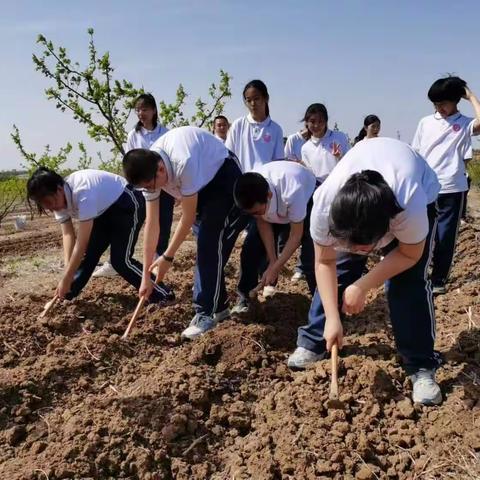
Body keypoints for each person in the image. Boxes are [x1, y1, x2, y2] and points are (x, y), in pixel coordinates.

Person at [287, 138, 444, 406]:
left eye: (363, 247)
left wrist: (363, 285)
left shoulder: (409, 204)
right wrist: (332, 318)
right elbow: (324, 262)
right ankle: (315, 340)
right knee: (343, 266)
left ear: (384, 232)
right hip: (359, 207)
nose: (355, 249)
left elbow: (409, 254)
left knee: (407, 283)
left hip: (413, 187)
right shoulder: (325, 205)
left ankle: (421, 366)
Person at [122, 126, 249, 340]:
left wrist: (167, 257)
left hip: (222, 176)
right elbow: (152, 225)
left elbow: (187, 217)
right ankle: (218, 308)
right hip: (201, 181)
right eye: (146, 188)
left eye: (151, 185)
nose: (152, 190)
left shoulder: (184, 161)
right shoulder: (149, 176)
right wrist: (145, 276)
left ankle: (205, 312)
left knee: (208, 243)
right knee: (207, 246)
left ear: (161, 169)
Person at [26, 167, 173, 303]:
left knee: (120, 260)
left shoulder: (83, 192)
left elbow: (81, 243)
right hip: (102, 211)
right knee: (87, 257)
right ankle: (66, 295)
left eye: (50, 202)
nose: (52, 208)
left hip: (125, 202)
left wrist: (67, 277)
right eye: (46, 205)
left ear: (58, 189)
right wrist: (67, 271)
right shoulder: (57, 200)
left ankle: (162, 294)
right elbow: (68, 235)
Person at [93, 93, 174, 278]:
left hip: (164, 185)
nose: (141, 113)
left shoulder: (165, 132)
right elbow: (130, 162)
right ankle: (116, 261)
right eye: (137, 110)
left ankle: (157, 259)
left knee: (163, 223)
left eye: (144, 109)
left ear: (154, 110)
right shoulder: (134, 134)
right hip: (142, 186)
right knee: (132, 222)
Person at [412, 76, 480, 294]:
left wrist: (470, 96)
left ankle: (439, 279)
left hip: (453, 188)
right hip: (426, 187)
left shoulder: (464, 123)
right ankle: (418, 274)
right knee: (422, 233)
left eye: (443, 103)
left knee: (446, 236)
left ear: (455, 101)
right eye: (435, 104)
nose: (439, 108)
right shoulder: (425, 123)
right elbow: (416, 153)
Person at [231, 161, 317, 313]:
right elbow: (262, 222)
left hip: (308, 198)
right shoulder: (252, 189)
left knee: (312, 258)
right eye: (251, 213)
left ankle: (321, 306)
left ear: (269, 196)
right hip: (275, 204)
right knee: (250, 248)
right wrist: (272, 260)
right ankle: (245, 298)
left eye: (257, 211)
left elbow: (295, 235)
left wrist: (276, 268)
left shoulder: (292, 191)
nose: (255, 215)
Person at [289, 104, 350, 284]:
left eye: (320, 121)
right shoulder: (306, 147)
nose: (316, 125)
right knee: (319, 229)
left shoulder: (339, 138)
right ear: (306, 123)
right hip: (318, 192)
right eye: (312, 121)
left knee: (341, 228)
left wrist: (339, 156)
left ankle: (343, 265)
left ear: (326, 121)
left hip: (339, 188)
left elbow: (348, 162)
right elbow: (310, 172)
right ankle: (315, 265)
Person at [225, 79, 284, 173]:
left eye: (256, 99)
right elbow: (228, 156)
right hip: (241, 182)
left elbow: (278, 163)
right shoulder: (238, 125)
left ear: (266, 98)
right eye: (249, 100)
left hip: (265, 184)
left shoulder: (276, 129)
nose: (253, 104)